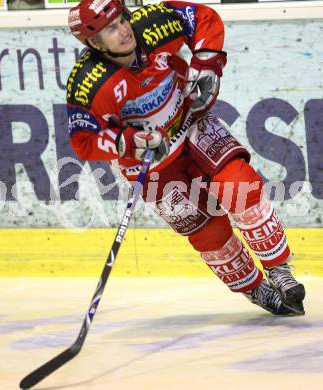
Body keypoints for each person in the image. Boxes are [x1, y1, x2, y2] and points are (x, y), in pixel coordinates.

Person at [66, 0, 305, 315]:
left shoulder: (152, 22)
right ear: (93, 43)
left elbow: (203, 17)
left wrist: (207, 64)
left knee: (239, 184)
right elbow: (83, 140)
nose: (124, 30)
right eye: (111, 29)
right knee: (209, 232)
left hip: (190, 124)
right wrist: (128, 143)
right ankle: (255, 289)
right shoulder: (88, 83)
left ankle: (279, 270)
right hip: (151, 162)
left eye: (122, 19)